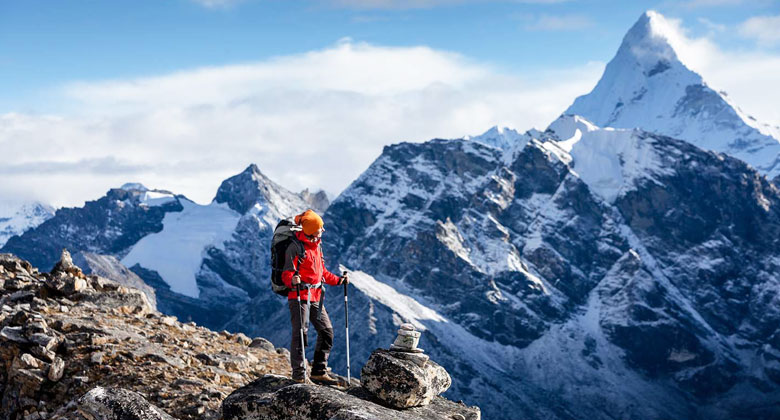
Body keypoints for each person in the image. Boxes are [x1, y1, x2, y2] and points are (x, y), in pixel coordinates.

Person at [282, 209, 348, 385]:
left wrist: (339, 280)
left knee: (327, 332)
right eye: (320, 228)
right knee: (300, 335)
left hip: (316, 296)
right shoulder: (295, 247)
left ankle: (318, 371)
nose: (323, 231)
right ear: (311, 230)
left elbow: (322, 273)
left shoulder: (317, 245)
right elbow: (286, 274)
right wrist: (292, 279)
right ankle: (299, 375)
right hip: (299, 296)